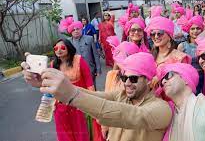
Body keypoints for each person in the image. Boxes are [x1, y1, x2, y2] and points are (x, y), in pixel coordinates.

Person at [22, 52, 172, 141]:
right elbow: (95, 96)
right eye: (123, 77)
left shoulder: (161, 109)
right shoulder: (122, 95)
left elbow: (127, 114)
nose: (127, 83)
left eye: (133, 79)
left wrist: (72, 95)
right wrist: (49, 83)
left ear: (149, 81)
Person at [33, 39, 99, 141]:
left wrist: (93, 103)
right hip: (60, 107)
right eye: (56, 48)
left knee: (81, 133)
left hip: (79, 105)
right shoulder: (53, 65)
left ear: (69, 48)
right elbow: (49, 86)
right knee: (64, 135)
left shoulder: (79, 60)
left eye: (62, 48)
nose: (59, 50)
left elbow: (89, 82)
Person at [63, 19, 101, 86]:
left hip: (90, 69)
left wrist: (98, 69)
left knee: (92, 88)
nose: (76, 31)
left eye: (77, 29)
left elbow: (95, 55)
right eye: (73, 30)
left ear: (81, 29)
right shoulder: (68, 42)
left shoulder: (89, 38)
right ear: (71, 32)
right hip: (75, 70)